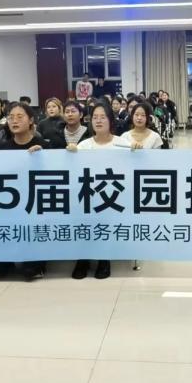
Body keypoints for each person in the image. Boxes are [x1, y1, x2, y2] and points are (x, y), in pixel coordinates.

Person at [0, 102, 48, 281]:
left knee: (30, 270)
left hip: (35, 205)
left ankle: (35, 260)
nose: (14, 121)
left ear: (31, 120)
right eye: (11, 117)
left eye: (20, 117)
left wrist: (42, 157)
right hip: (9, 204)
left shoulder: (43, 146)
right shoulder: (2, 149)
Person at [67, 102, 128, 279]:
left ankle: (103, 258)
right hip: (88, 194)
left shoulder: (122, 144)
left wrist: (137, 150)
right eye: (95, 117)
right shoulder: (83, 145)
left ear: (110, 120)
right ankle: (83, 258)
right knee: (83, 213)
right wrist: (70, 154)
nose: (98, 121)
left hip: (114, 195)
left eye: (103, 117)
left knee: (105, 213)